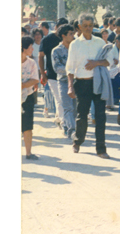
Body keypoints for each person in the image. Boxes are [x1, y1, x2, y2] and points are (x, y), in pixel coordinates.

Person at [66, 13, 114, 159]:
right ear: (79, 27)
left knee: (100, 116)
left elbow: (109, 61)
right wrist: (70, 86)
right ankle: (78, 141)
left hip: (98, 82)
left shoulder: (100, 42)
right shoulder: (75, 44)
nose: (88, 28)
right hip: (82, 83)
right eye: (85, 26)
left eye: (90, 26)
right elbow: (70, 68)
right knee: (82, 116)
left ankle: (101, 148)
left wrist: (96, 63)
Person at [39, 18, 68, 128]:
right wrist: (43, 73)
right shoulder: (47, 40)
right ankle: (63, 123)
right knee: (60, 98)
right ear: (56, 27)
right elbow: (41, 57)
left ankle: (59, 118)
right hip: (52, 75)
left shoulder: (69, 39)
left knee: (63, 99)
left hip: (67, 75)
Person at [52, 24, 77, 138]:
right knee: (67, 107)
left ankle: (67, 126)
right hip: (63, 81)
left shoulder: (77, 47)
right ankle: (72, 130)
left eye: (73, 33)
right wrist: (71, 70)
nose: (73, 36)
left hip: (78, 81)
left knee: (76, 108)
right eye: (70, 34)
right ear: (63, 36)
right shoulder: (56, 51)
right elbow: (57, 68)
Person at [22, 36, 40, 160]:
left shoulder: (32, 63)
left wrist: (22, 85)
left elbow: (35, 79)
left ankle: (28, 153)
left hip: (27, 96)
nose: (33, 49)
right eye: (30, 47)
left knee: (27, 126)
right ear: (23, 48)